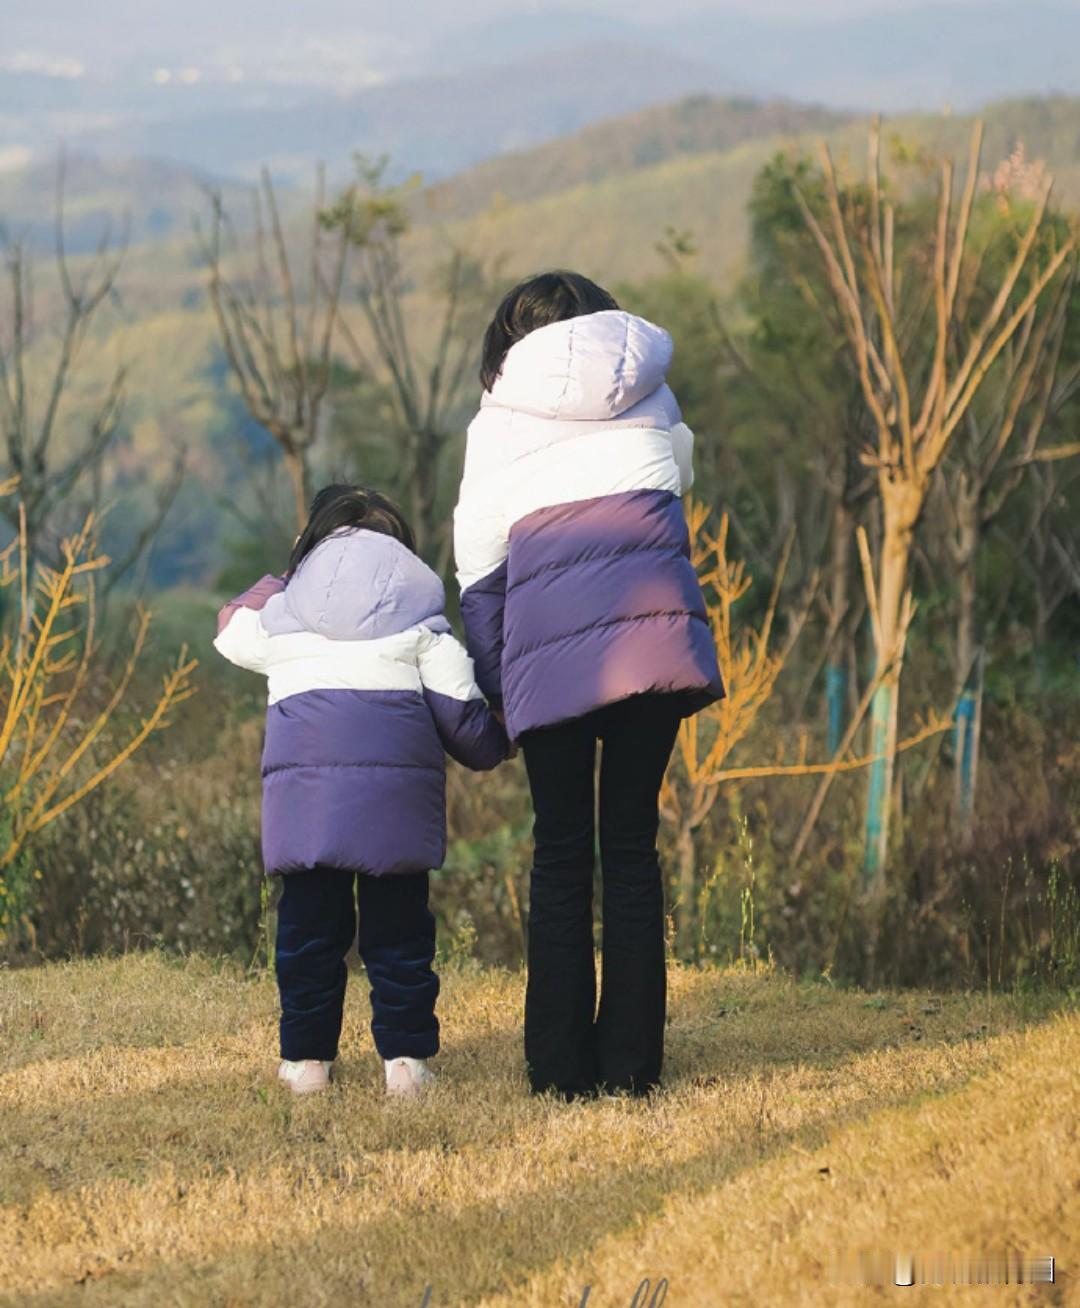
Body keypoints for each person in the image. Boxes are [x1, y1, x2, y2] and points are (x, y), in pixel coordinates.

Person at [453, 271, 724, 1100]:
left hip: (550, 651)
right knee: (632, 847)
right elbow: (677, 476)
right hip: (655, 637)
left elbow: (480, 574)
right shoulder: (652, 389)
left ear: (511, 340)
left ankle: (561, 1070)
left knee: (562, 850)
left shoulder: (497, 420)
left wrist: (503, 692)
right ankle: (633, 1066)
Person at [214, 485, 509, 1096]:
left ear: (311, 545)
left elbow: (229, 626)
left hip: (307, 812)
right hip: (394, 813)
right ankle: (406, 1066)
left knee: (307, 935)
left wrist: (287, 574)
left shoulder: (282, 618)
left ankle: (307, 1065)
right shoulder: (422, 624)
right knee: (399, 937)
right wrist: (506, 737)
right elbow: (468, 729)